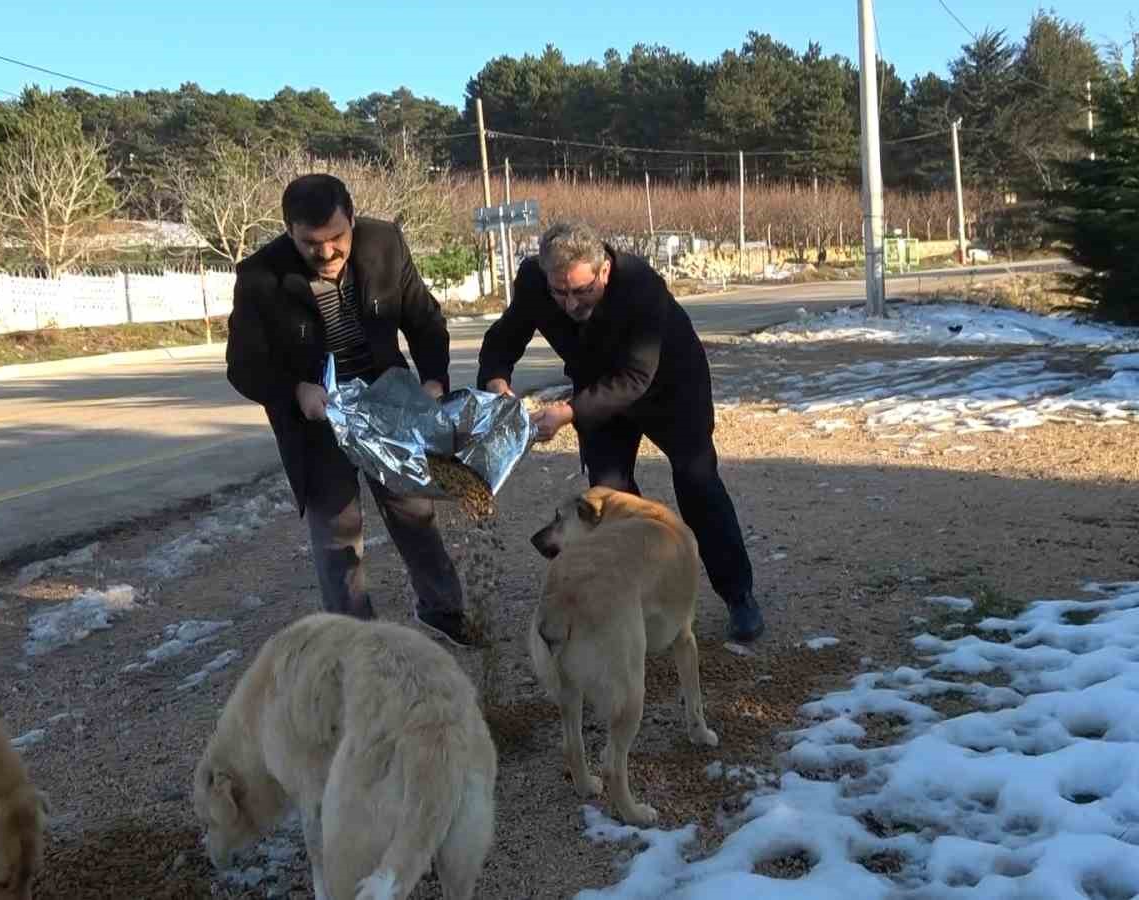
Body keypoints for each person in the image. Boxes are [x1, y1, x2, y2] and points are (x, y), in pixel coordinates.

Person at [476, 222, 765, 642]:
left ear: (604, 270)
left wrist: (569, 412)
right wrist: (497, 382)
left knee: (697, 482)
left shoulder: (641, 285)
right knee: (609, 499)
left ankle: (739, 595)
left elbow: (634, 377)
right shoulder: (535, 281)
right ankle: (642, 595)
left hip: (669, 387)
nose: (570, 303)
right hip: (597, 391)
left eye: (581, 291)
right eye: (560, 293)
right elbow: (505, 337)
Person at [225, 173, 473, 645]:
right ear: (288, 231)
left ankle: (443, 610)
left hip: (388, 407)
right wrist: (295, 390)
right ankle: (356, 638)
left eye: (337, 238)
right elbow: (242, 365)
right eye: (310, 243)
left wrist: (434, 381)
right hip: (317, 421)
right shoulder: (259, 276)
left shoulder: (385, 242)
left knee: (414, 512)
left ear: (353, 219)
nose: (326, 253)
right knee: (339, 535)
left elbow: (424, 319)